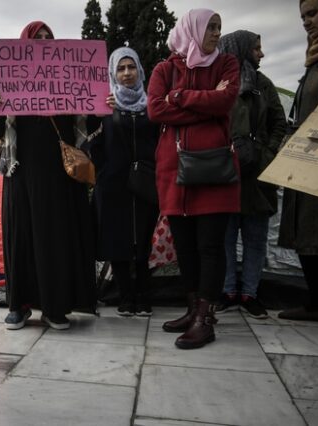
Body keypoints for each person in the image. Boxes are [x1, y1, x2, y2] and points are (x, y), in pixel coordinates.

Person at [0, 21, 97, 331]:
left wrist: (101, 103)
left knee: (55, 241)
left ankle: (55, 308)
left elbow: (85, 121)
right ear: (24, 45)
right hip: (21, 178)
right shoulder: (11, 88)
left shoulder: (67, 82)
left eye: (48, 37)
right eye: (37, 38)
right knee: (22, 240)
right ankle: (18, 306)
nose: (44, 42)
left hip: (60, 179)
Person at [147, 9, 240, 349]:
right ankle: (192, 309)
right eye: (210, 27)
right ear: (192, 29)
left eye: (219, 26)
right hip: (174, 173)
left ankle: (205, 317)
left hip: (214, 171)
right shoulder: (164, 68)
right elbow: (155, 109)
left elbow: (225, 100)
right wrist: (205, 103)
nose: (215, 33)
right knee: (185, 247)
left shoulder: (227, 64)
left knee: (210, 246)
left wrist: (180, 97)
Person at [216, 31, 287, 319]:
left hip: (257, 174)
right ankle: (228, 290)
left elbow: (279, 123)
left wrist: (266, 153)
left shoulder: (263, 85)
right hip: (226, 173)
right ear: (242, 49)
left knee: (256, 238)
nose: (261, 54)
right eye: (256, 48)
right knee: (226, 237)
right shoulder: (221, 83)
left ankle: (250, 294)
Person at [91, 47, 159, 317]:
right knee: (117, 241)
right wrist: (103, 173)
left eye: (131, 67)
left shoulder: (152, 105)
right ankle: (126, 296)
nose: (127, 73)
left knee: (143, 241)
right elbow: (94, 144)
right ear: (113, 73)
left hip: (145, 184)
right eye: (121, 68)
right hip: (113, 184)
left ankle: (143, 295)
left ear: (140, 69)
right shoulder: (104, 107)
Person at [278, 0, 318, 322]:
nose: (307, 22)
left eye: (314, 13)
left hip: (315, 157)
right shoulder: (313, 62)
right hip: (307, 159)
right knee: (306, 232)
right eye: (304, 16)